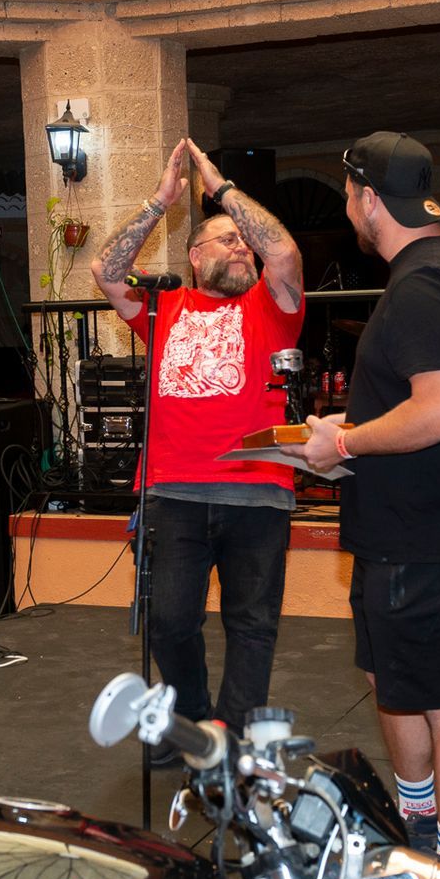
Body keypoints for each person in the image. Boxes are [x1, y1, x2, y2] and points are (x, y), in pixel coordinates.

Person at [301, 131, 440, 879]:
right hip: (407, 526)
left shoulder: (423, 285)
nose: (347, 210)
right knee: (395, 683)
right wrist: (346, 439)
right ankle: (419, 829)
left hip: (427, 534)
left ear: (366, 199)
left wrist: (347, 443)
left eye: (347, 197)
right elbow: (420, 407)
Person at [91, 138, 305, 755]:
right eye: (226, 238)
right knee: (168, 621)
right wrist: (160, 201)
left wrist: (221, 190)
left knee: (252, 625)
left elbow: (283, 251)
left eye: (244, 240)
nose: (242, 246)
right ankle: (190, 720)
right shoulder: (162, 308)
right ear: (193, 256)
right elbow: (106, 271)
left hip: (257, 490)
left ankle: (230, 747)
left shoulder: (272, 306)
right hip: (173, 490)